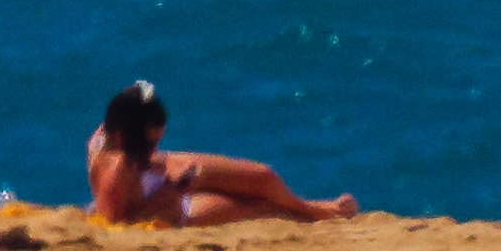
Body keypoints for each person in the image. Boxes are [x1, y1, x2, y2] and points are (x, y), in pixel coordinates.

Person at [88, 80, 357, 227]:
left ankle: (310, 207)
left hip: (166, 172)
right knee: (261, 208)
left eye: (157, 141)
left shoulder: (111, 133)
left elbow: (136, 101)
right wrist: (172, 190)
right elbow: (121, 226)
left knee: (264, 177)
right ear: (123, 137)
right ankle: (319, 213)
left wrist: (164, 166)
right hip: (171, 208)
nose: (153, 149)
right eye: (148, 144)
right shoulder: (114, 175)